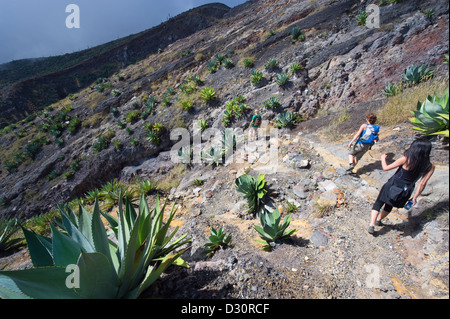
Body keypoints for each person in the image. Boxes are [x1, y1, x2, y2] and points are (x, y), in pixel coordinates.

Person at [368, 138, 435, 234]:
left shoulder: (406, 159)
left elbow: (385, 168)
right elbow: (422, 183)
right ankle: (379, 220)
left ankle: (372, 225)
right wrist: (415, 197)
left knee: (378, 203)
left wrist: (383, 158)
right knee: (389, 205)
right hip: (405, 191)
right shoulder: (430, 166)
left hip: (392, 185)